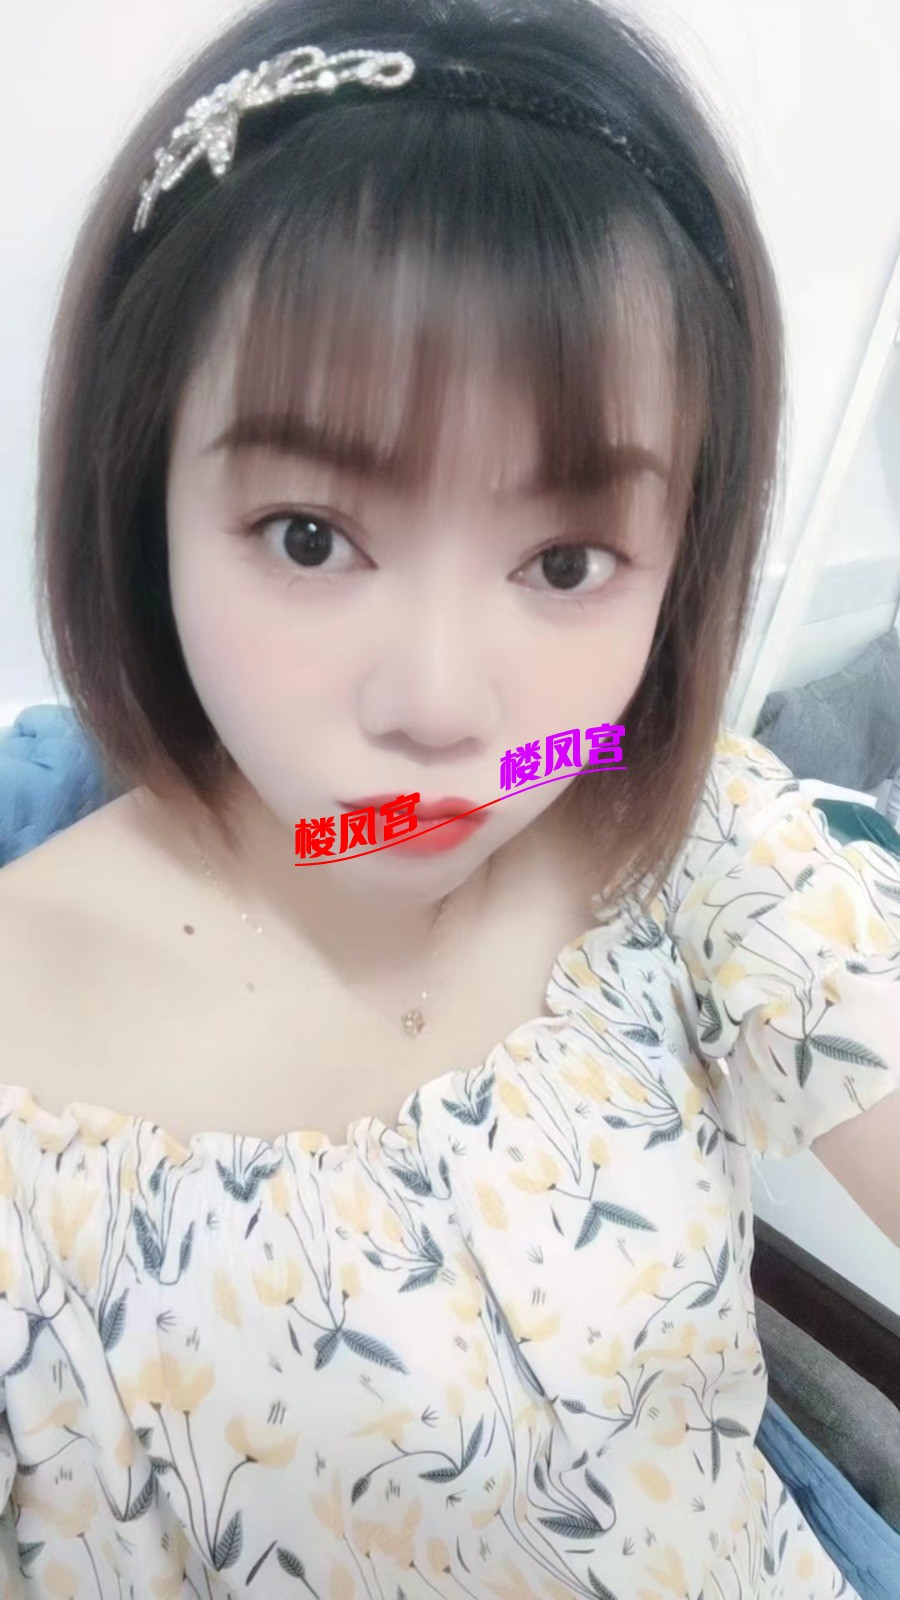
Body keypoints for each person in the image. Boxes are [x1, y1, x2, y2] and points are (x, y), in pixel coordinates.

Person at [0, 0, 898, 1594]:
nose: (440, 707)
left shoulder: (642, 797)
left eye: (566, 562)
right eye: (309, 536)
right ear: (143, 494)